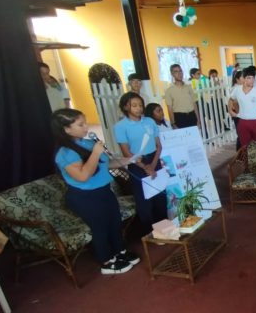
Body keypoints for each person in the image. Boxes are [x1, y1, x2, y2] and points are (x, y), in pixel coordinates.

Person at [51, 108, 139, 274]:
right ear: (66, 129)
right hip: (85, 197)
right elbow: (83, 176)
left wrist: (129, 160)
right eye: (80, 124)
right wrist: (96, 153)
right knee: (100, 227)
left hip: (104, 191)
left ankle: (120, 252)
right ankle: (106, 261)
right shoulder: (65, 153)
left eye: (85, 122)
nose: (86, 127)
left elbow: (106, 164)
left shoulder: (88, 143)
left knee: (114, 222)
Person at [114, 92, 168, 233]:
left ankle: (165, 229)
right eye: (134, 105)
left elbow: (159, 146)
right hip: (136, 163)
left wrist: (153, 164)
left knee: (160, 195)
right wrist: (144, 167)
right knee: (144, 200)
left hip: (154, 160)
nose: (139, 108)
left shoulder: (149, 121)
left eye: (140, 105)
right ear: (126, 107)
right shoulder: (121, 126)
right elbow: (126, 153)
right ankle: (149, 232)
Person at [228, 67, 256, 147]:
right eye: (249, 78)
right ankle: (247, 159)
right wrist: (231, 111)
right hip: (243, 122)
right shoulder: (237, 89)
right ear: (244, 79)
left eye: (253, 78)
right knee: (245, 147)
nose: (252, 80)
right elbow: (231, 100)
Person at [164, 64, 200, 129]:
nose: (179, 73)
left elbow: (194, 104)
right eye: (176, 72)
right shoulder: (169, 91)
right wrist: (173, 123)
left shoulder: (189, 88)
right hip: (180, 118)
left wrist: (198, 120)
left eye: (180, 71)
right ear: (172, 74)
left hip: (192, 116)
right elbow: (170, 109)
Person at [228, 71, 243, 149]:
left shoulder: (241, 87)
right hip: (238, 113)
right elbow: (234, 102)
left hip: (240, 113)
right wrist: (239, 114)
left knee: (242, 133)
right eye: (242, 77)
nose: (244, 79)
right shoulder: (236, 88)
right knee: (241, 134)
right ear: (237, 79)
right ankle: (239, 154)